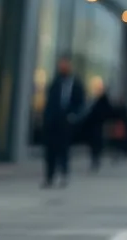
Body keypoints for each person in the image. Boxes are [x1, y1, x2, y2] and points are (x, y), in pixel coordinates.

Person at [42, 56, 84, 188]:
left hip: (66, 122)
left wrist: (73, 116)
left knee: (63, 149)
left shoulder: (75, 83)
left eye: (65, 64)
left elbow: (80, 102)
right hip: (52, 121)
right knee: (50, 150)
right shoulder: (55, 81)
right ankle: (49, 176)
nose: (63, 66)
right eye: (61, 64)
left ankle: (63, 174)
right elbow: (48, 101)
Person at [84, 81, 113, 172]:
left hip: (98, 125)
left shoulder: (103, 101)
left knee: (96, 144)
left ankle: (96, 159)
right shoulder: (95, 100)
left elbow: (107, 112)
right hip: (94, 125)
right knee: (94, 144)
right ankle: (95, 159)